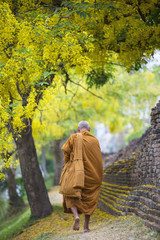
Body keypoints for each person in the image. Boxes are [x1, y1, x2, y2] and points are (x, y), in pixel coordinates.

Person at [59, 120, 103, 232]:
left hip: (77, 174)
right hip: (93, 175)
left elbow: (66, 153)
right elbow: (98, 159)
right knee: (90, 199)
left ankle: (76, 216)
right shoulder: (95, 140)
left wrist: (67, 165)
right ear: (89, 130)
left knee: (69, 194)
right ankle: (86, 227)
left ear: (79, 129)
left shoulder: (74, 137)